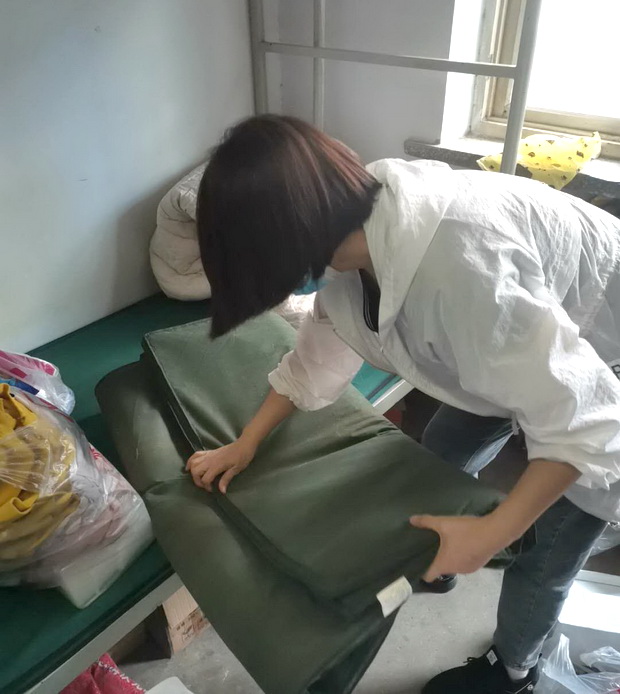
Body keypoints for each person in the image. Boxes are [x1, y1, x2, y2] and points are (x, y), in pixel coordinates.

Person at [187, 114, 620, 693]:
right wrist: (246, 443)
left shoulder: (460, 267)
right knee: (440, 451)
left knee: (546, 546)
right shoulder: (352, 242)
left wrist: (491, 534)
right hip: (522, 341)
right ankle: (441, 551)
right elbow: (313, 359)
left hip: (604, 357)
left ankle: (514, 670)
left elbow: (582, 418)